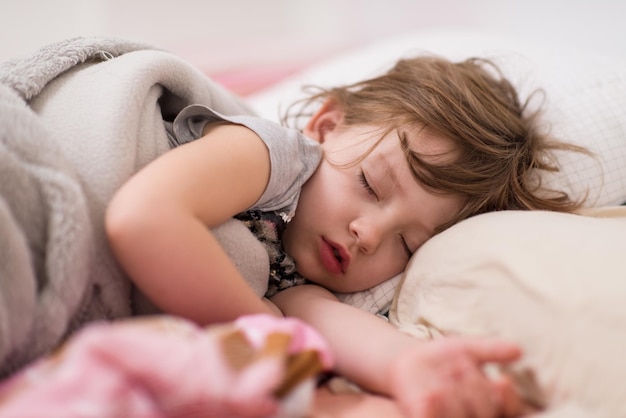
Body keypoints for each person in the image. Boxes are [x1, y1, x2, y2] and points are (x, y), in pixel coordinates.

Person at [105, 55, 585, 417]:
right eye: (370, 185)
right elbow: (145, 218)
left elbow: (325, 326)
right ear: (327, 126)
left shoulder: (294, 281)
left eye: (407, 244)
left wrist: (410, 365)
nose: (370, 235)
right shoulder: (273, 156)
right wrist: (278, 346)